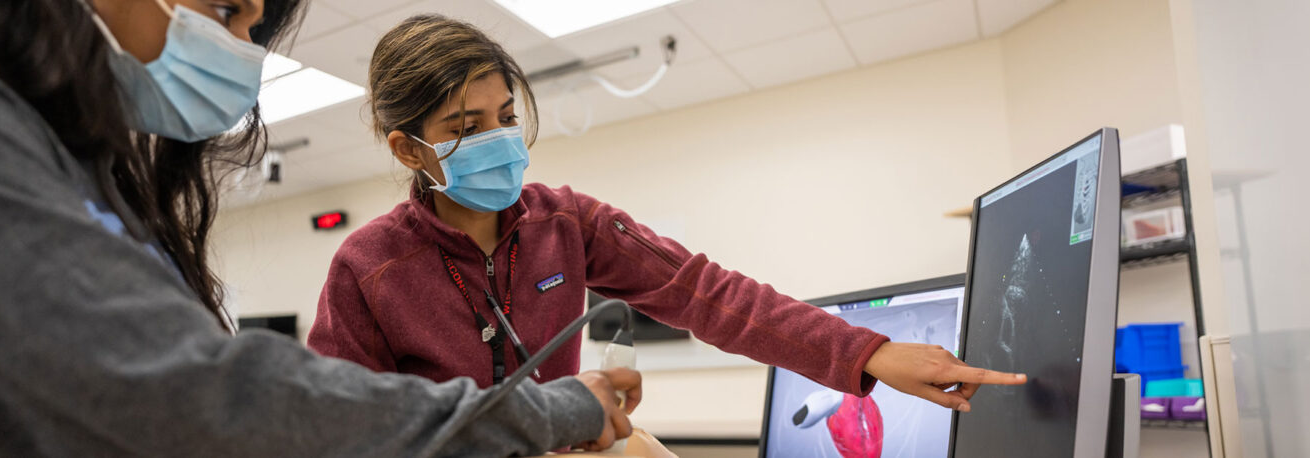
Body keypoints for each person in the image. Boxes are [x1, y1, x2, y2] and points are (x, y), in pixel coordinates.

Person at [0, 1, 641, 455]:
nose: (240, 49)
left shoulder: (67, 160)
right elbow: (213, 399)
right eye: (226, 11)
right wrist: (554, 410)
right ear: (408, 149)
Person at [309, 14, 1026, 416]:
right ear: (409, 149)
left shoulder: (569, 224)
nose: (499, 141)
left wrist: (865, 354)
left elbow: (707, 294)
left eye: (505, 116)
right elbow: (339, 424)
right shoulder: (368, 269)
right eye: (467, 126)